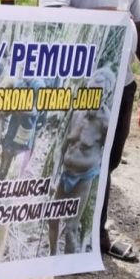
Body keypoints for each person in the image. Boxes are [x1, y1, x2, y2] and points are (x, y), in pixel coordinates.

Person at [38, 0, 140, 262]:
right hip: (78, 89)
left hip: (120, 87)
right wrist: (107, 20)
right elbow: (54, 25)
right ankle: (57, 239)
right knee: (72, 162)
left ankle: (95, 233)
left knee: (107, 162)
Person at [47, 69, 114, 255]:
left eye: (98, 93)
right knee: (53, 218)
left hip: (84, 177)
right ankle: (52, 256)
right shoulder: (76, 112)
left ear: (106, 94)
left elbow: (108, 155)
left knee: (71, 227)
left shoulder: (106, 121)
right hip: (65, 174)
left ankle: (70, 265)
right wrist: (54, 175)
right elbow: (63, 147)